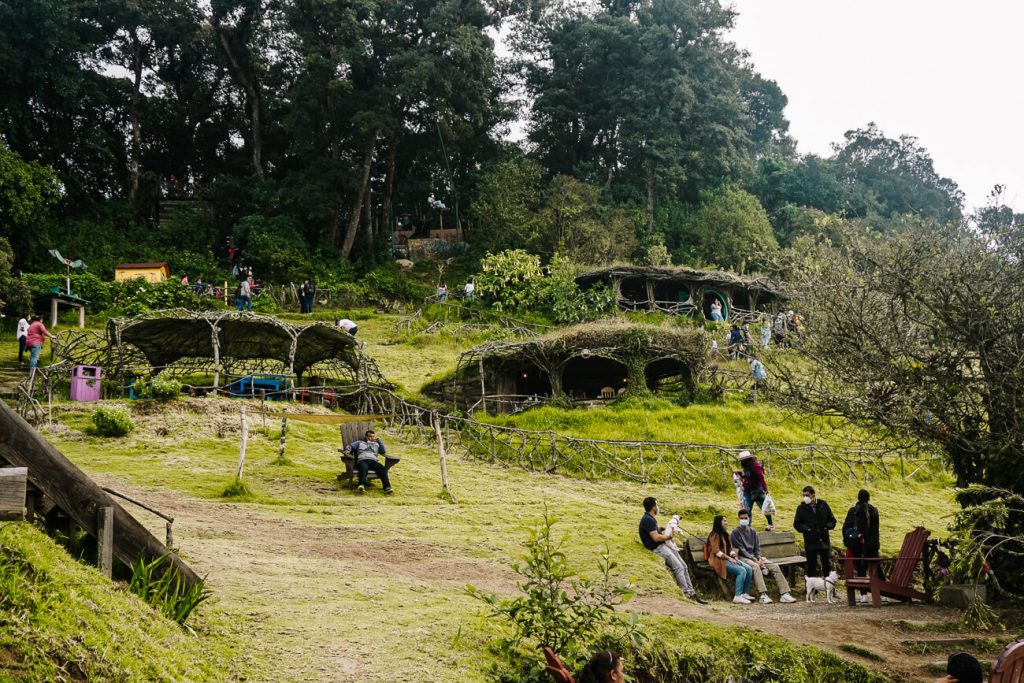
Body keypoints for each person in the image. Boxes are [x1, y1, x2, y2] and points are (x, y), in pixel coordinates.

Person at [638, 497, 707, 604]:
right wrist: (668, 537)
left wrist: (661, 528)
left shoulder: (650, 519)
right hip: (658, 548)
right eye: (657, 505)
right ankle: (686, 593)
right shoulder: (647, 520)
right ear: (653, 507)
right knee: (678, 567)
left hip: (662, 545)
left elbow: (654, 532)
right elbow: (655, 537)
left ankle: (692, 592)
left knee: (684, 566)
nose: (658, 507)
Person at [732, 509, 797, 604]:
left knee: (775, 566)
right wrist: (755, 560)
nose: (744, 520)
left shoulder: (753, 531)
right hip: (743, 557)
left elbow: (757, 547)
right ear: (738, 519)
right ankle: (763, 595)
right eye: (742, 518)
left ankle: (785, 593)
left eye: (746, 518)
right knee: (756, 567)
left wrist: (758, 558)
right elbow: (742, 549)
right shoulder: (735, 532)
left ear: (749, 518)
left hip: (755, 557)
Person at [703, 515, 754, 604]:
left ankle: (744, 593)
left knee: (749, 569)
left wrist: (734, 556)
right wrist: (729, 558)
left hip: (728, 559)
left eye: (726, 521)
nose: (727, 523)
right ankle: (737, 596)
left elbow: (730, 548)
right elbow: (716, 552)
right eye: (724, 521)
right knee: (741, 571)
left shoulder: (725, 534)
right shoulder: (714, 535)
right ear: (719, 522)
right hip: (718, 561)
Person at [843, 489, 883, 602]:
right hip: (872, 544)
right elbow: (875, 530)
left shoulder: (853, 511)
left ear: (858, 498)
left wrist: (849, 542)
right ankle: (883, 592)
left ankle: (863, 595)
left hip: (858, 544)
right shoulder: (874, 511)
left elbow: (846, 527)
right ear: (868, 498)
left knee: (861, 568)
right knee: (877, 568)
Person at [793, 485, 836, 578]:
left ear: (813, 495)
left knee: (826, 565)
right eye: (803, 495)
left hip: (823, 540)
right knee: (811, 566)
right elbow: (797, 523)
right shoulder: (801, 508)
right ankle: (812, 589)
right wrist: (806, 529)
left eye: (807, 495)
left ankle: (829, 587)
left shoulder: (823, 505)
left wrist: (826, 527)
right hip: (810, 541)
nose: (805, 497)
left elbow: (832, 520)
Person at [347, 429, 394, 494]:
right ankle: (361, 485)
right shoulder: (360, 442)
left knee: (382, 469)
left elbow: (383, 451)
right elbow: (350, 446)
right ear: (366, 437)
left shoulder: (376, 444)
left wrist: (380, 442)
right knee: (364, 468)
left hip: (373, 460)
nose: (372, 438)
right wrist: (347, 450)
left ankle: (387, 488)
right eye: (370, 436)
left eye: (373, 436)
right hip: (362, 460)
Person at [736, 451, 774, 530]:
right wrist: (740, 474)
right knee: (747, 509)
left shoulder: (756, 467)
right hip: (747, 491)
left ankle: (770, 524)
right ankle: (747, 527)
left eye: (743, 460)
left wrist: (765, 489)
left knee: (764, 507)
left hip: (757, 490)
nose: (742, 462)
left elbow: (761, 478)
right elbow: (747, 477)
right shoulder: (746, 467)